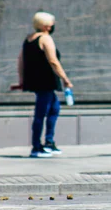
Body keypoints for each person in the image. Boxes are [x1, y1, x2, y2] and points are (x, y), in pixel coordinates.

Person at [16, 11, 72, 158]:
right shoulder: (45, 39)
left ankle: (49, 142)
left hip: (35, 80)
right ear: (46, 26)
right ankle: (36, 146)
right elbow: (53, 61)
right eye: (52, 24)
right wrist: (65, 79)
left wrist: (22, 80)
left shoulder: (28, 39)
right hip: (45, 81)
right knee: (41, 113)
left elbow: (20, 60)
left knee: (54, 108)